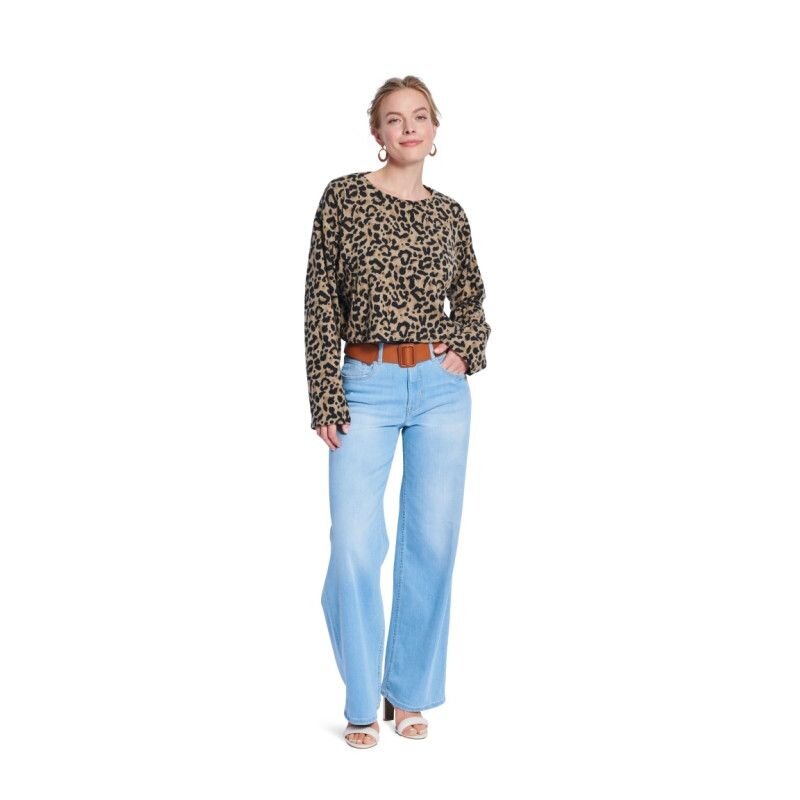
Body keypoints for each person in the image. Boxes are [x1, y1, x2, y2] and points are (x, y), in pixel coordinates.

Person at [304, 75, 491, 749]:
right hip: (365, 383)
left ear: (434, 130)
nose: (408, 128)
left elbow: (471, 299)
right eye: (394, 119)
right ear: (377, 132)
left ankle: (407, 693)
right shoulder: (344, 197)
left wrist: (465, 349)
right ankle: (362, 697)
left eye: (419, 117)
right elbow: (320, 298)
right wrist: (324, 392)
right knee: (355, 544)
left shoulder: (451, 215)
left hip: (440, 391)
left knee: (432, 543)